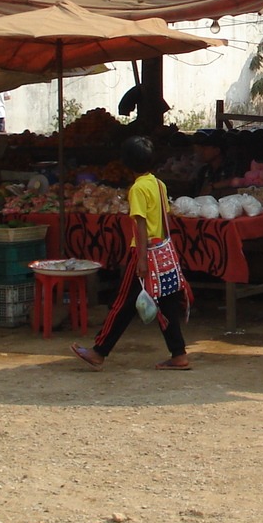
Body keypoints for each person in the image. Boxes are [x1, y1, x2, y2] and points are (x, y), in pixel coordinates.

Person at [71, 136, 191, 371]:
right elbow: (166, 219)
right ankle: (178, 354)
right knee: (165, 303)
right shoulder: (158, 184)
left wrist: (143, 259)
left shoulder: (136, 189)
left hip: (144, 253)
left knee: (123, 304)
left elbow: (140, 224)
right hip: (162, 250)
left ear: (127, 163)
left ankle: (98, 351)